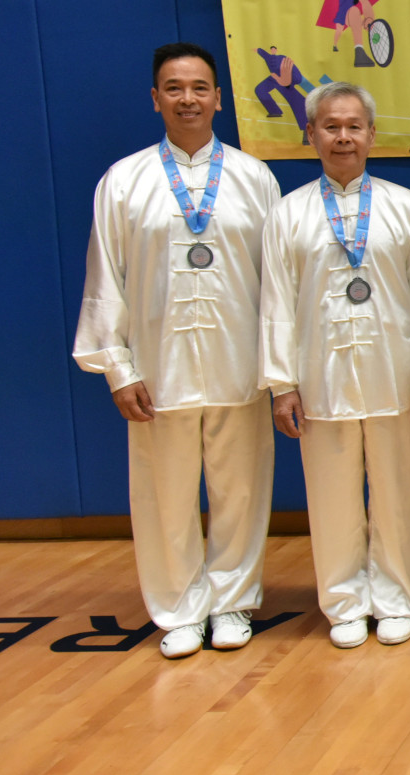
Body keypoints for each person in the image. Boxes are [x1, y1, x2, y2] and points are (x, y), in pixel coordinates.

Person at [73, 42, 281, 659]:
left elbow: (278, 282)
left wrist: (279, 367)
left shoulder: (254, 178)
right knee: (163, 494)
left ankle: (232, 602)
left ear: (218, 98)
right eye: (174, 88)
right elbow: (104, 278)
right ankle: (180, 610)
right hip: (157, 369)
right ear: (155, 99)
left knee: (241, 491)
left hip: (240, 364)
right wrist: (117, 368)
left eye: (198, 88)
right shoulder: (123, 181)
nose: (187, 99)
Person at [259, 81, 410, 648]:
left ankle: (395, 597)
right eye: (331, 127)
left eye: (354, 126)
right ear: (310, 134)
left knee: (398, 492)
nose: (343, 137)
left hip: (395, 372)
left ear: (372, 135)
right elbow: (276, 303)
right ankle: (343, 602)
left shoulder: (404, 206)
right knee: (331, 496)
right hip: (320, 377)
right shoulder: (287, 213)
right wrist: (282, 384)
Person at [253, 45, 309, 140]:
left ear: (276, 50)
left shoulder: (282, 59)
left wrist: (289, 81)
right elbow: (262, 53)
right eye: (272, 49)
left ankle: (306, 131)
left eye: (274, 49)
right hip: (274, 79)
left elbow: (297, 77)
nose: (273, 51)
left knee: (298, 103)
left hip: (288, 80)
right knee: (260, 90)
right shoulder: (269, 58)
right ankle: (275, 111)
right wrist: (256, 49)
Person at [322, 0, 375, 66]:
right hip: (342, 15)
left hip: (347, 15)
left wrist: (369, 18)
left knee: (353, 13)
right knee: (340, 29)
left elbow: (365, 1)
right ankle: (336, 45)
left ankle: (358, 50)